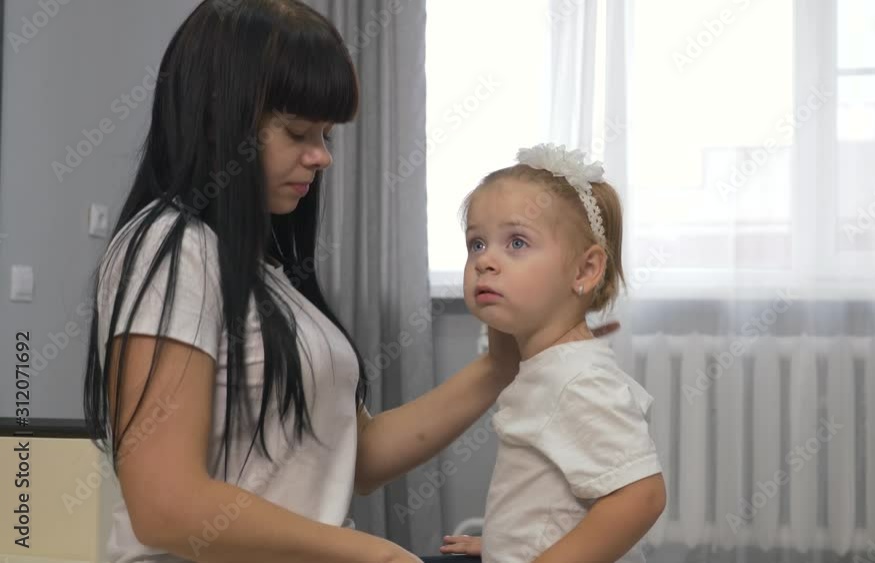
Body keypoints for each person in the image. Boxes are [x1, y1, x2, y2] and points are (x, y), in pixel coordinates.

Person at [81, 2, 621, 561]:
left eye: (326, 135)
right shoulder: (171, 250)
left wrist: (499, 366)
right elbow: (165, 503)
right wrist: (371, 552)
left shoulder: (266, 274)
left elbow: (353, 457)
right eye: (297, 132)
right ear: (219, 120)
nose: (321, 157)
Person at [431, 144, 667, 562]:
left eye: (517, 242)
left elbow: (641, 496)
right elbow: (557, 498)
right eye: (477, 244)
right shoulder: (548, 366)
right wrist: (505, 543)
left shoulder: (578, 379)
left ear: (585, 270)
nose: (485, 261)